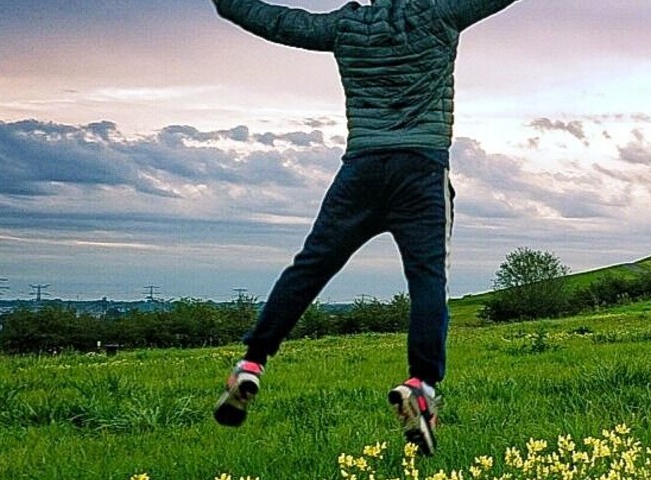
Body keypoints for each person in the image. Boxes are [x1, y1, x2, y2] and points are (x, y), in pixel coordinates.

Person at [208, 0, 520, 456]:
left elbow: (276, 21)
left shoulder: (345, 26)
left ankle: (251, 364)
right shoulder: (440, 13)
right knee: (428, 280)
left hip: (361, 170)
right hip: (420, 168)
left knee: (310, 268)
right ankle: (421, 385)